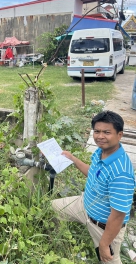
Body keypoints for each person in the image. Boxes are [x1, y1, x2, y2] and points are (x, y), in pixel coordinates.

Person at [52, 111, 135, 263]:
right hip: (84, 206)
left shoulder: (121, 173)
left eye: (107, 132)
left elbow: (118, 215)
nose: (100, 136)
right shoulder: (101, 152)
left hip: (103, 226)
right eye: (97, 131)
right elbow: (93, 173)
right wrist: (72, 158)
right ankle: (62, 243)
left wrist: (104, 243)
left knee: (109, 259)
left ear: (119, 135)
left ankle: (110, 246)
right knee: (53, 208)